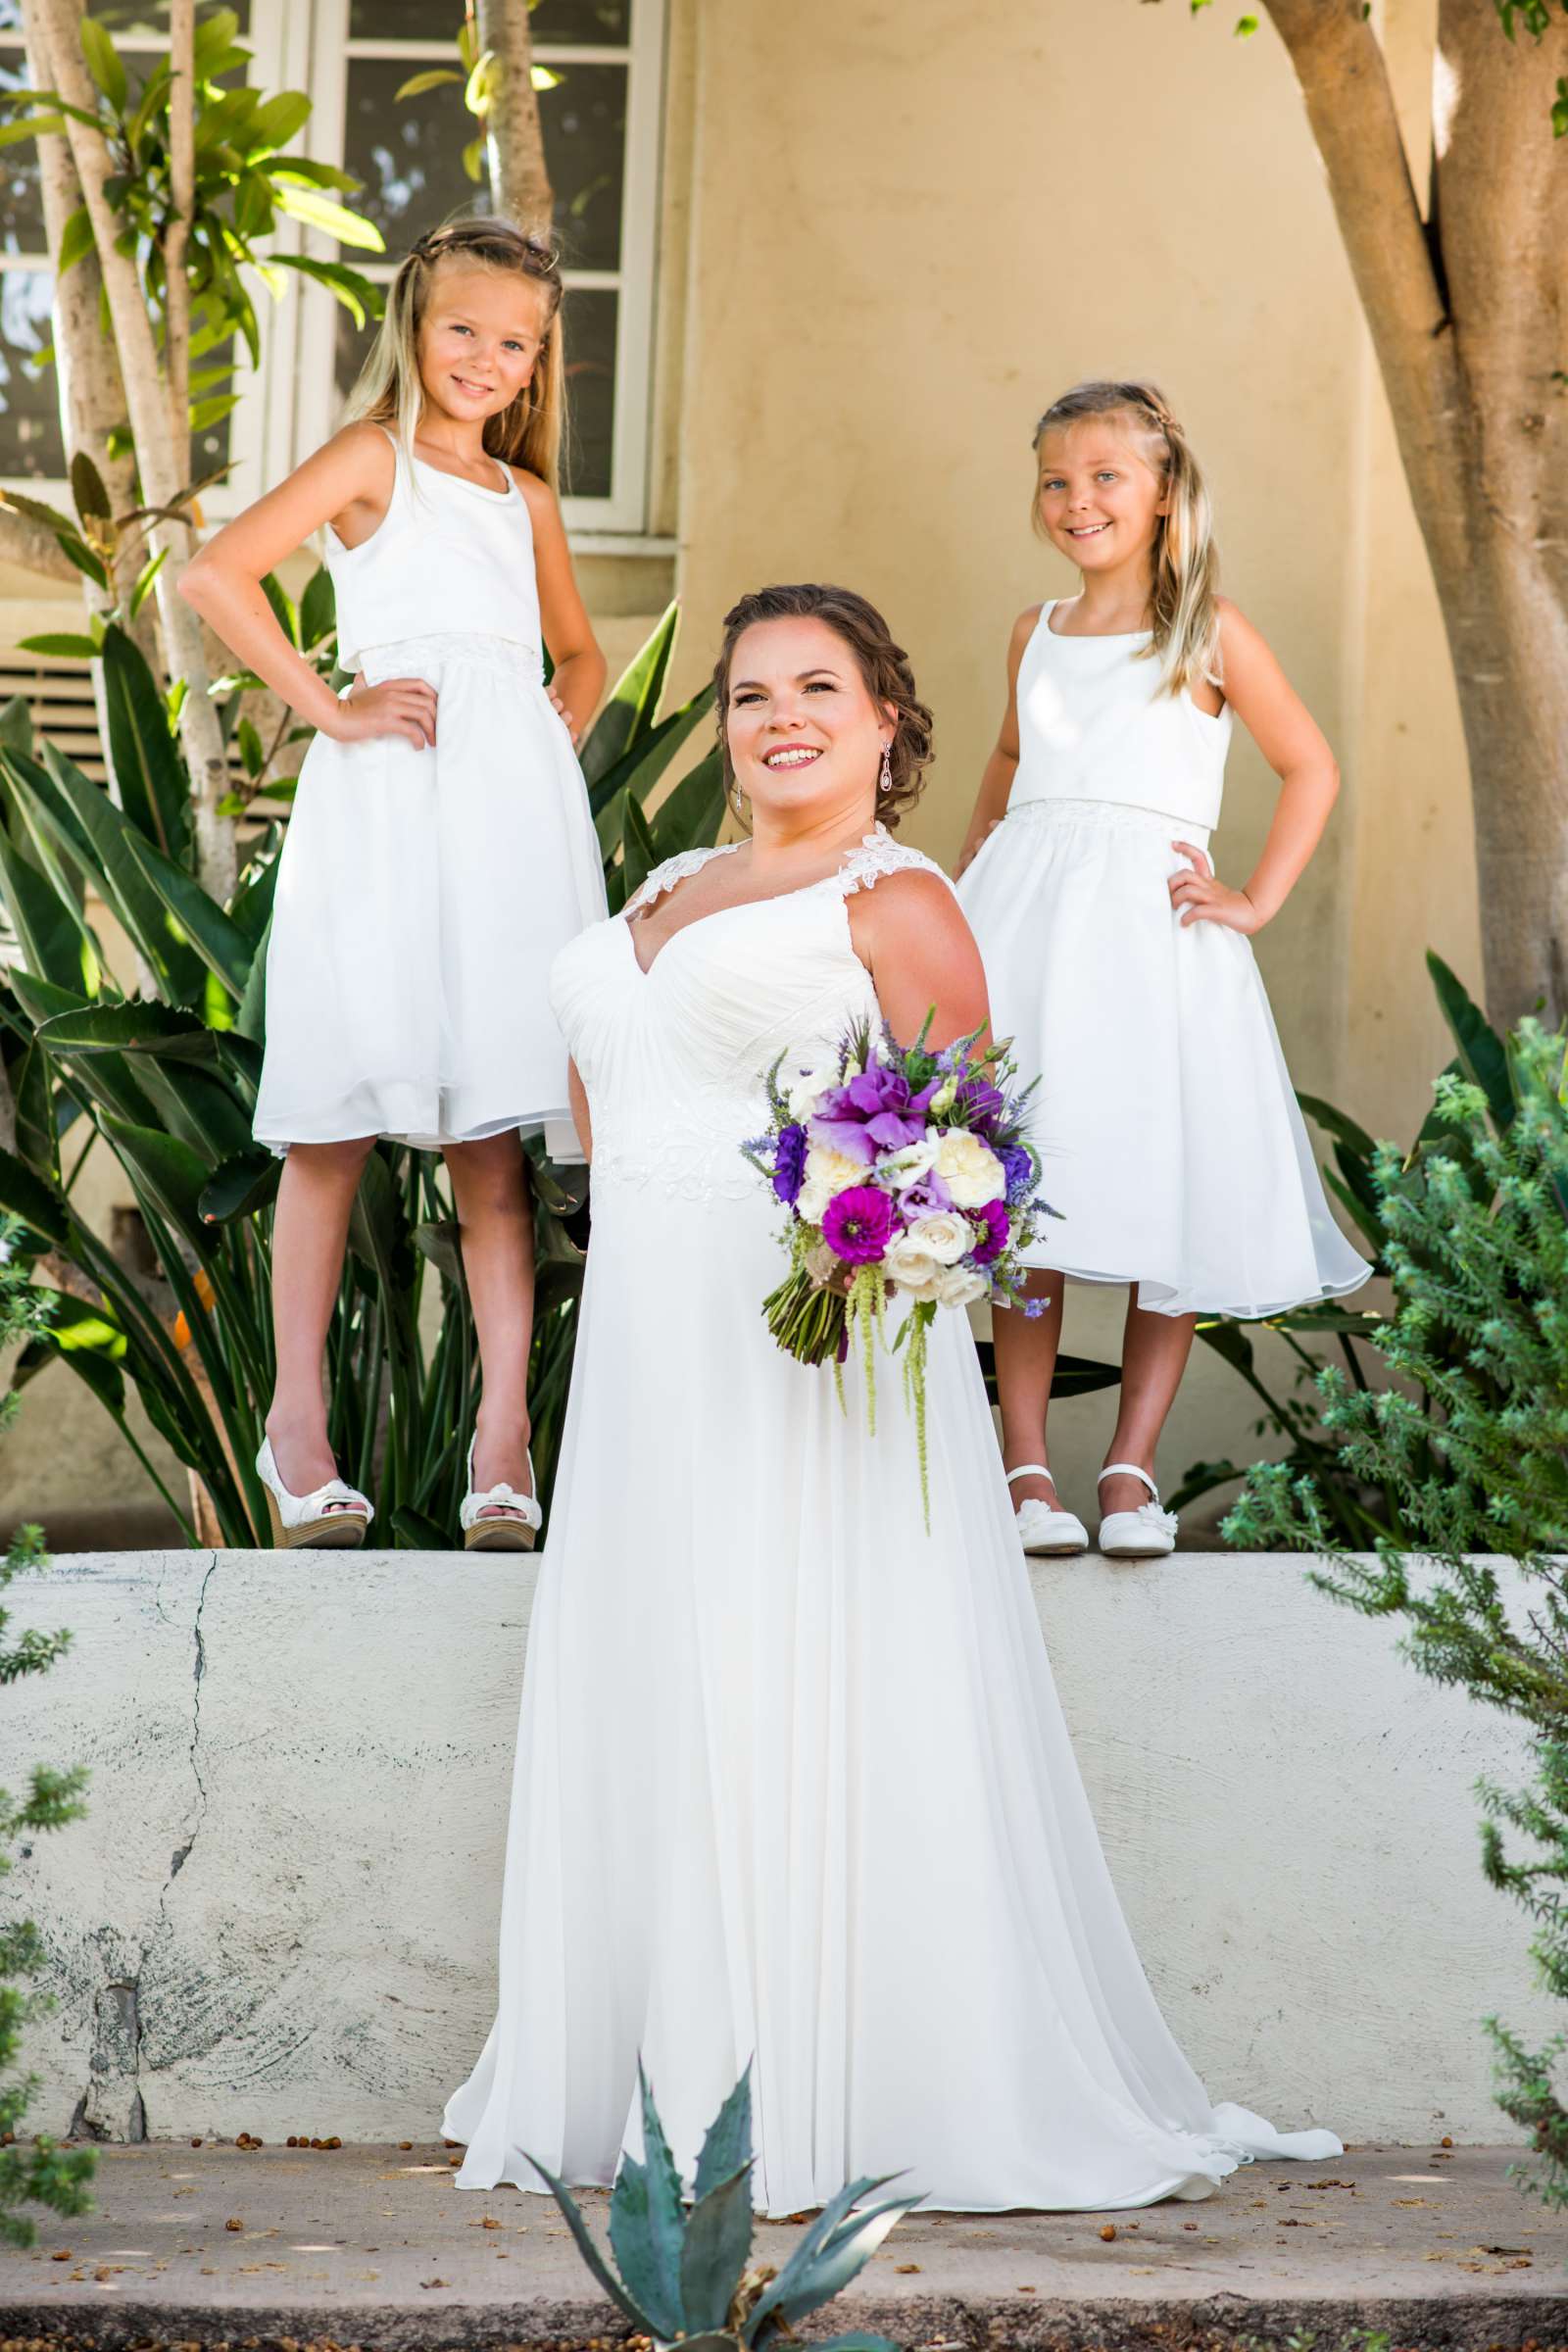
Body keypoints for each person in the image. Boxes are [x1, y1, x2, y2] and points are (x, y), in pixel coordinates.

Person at [443, 581, 1341, 2215]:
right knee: (661, 1673)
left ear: (885, 725)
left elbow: (971, 1149)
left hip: (810, 1367)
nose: (777, 714)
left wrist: (856, 1247)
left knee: (791, 1673)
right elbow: (601, 1100)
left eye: (818, 688)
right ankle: (652, 2076)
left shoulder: (899, 895)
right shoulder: (662, 886)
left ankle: (822, 2079)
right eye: (749, 692)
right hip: (647, 1353)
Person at [180, 218, 607, 1551]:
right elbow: (214, 571)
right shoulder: (373, 461)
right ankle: (297, 1428)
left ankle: (501, 1443)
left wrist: (540, 742)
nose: (486, 357)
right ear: (415, 329)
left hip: (507, 828)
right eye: (463, 329)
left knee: (491, 1147)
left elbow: (583, 657)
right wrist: (329, 706)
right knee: (336, 1119)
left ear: (540, 367)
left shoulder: (523, 500)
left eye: (516, 342)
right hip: (381, 812)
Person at [956, 380, 1368, 1563]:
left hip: (1151, 942)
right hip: (1026, 932)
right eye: (1055, 480)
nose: (1076, 500)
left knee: (1160, 1187)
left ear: (1163, 492)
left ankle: (1129, 1468)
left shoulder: (1209, 631)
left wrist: (1253, 901)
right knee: (1024, 1192)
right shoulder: (1031, 632)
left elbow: (1313, 768)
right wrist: (971, 871)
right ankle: (1025, 1465)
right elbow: (1005, 754)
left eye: (1104, 478)